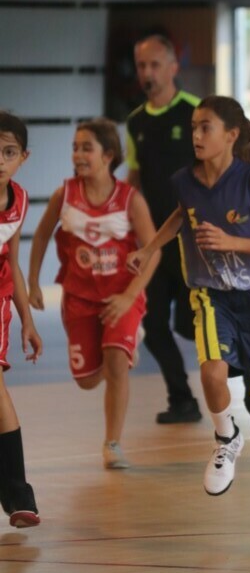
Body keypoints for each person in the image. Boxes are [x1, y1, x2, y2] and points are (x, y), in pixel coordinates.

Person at [126, 95, 250, 529]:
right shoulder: (184, 180)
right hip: (210, 296)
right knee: (210, 373)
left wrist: (231, 241)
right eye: (193, 127)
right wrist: (149, 248)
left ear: (231, 135)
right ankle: (226, 436)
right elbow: (179, 217)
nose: (197, 135)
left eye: (206, 127)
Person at [28, 117, 159, 470]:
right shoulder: (64, 194)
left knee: (115, 361)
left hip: (121, 296)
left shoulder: (130, 199)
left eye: (87, 148)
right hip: (79, 297)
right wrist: (33, 281)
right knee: (86, 381)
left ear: (108, 155)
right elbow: (41, 235)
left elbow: (154, 250)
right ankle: (123, 350)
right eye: (75, 147)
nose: (78, 154)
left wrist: (130, 296)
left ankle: (112, 443)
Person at [126, 33, 202, 424]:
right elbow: (134, 178)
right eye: (142, 65)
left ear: (173, 67)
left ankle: (229, 388)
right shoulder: (135, 121)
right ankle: (182, 400)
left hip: (192, 242)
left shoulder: (195, 112)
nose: (147, 72)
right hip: (154, 242)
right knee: (153, 326)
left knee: (193, 327)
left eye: (155, 64)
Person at [0, 111, 42, 528]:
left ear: (23, 158)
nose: (0, 160)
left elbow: (12, 263)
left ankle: (18, 494)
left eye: (8, 152)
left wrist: (26, 320)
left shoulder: (20, 200)